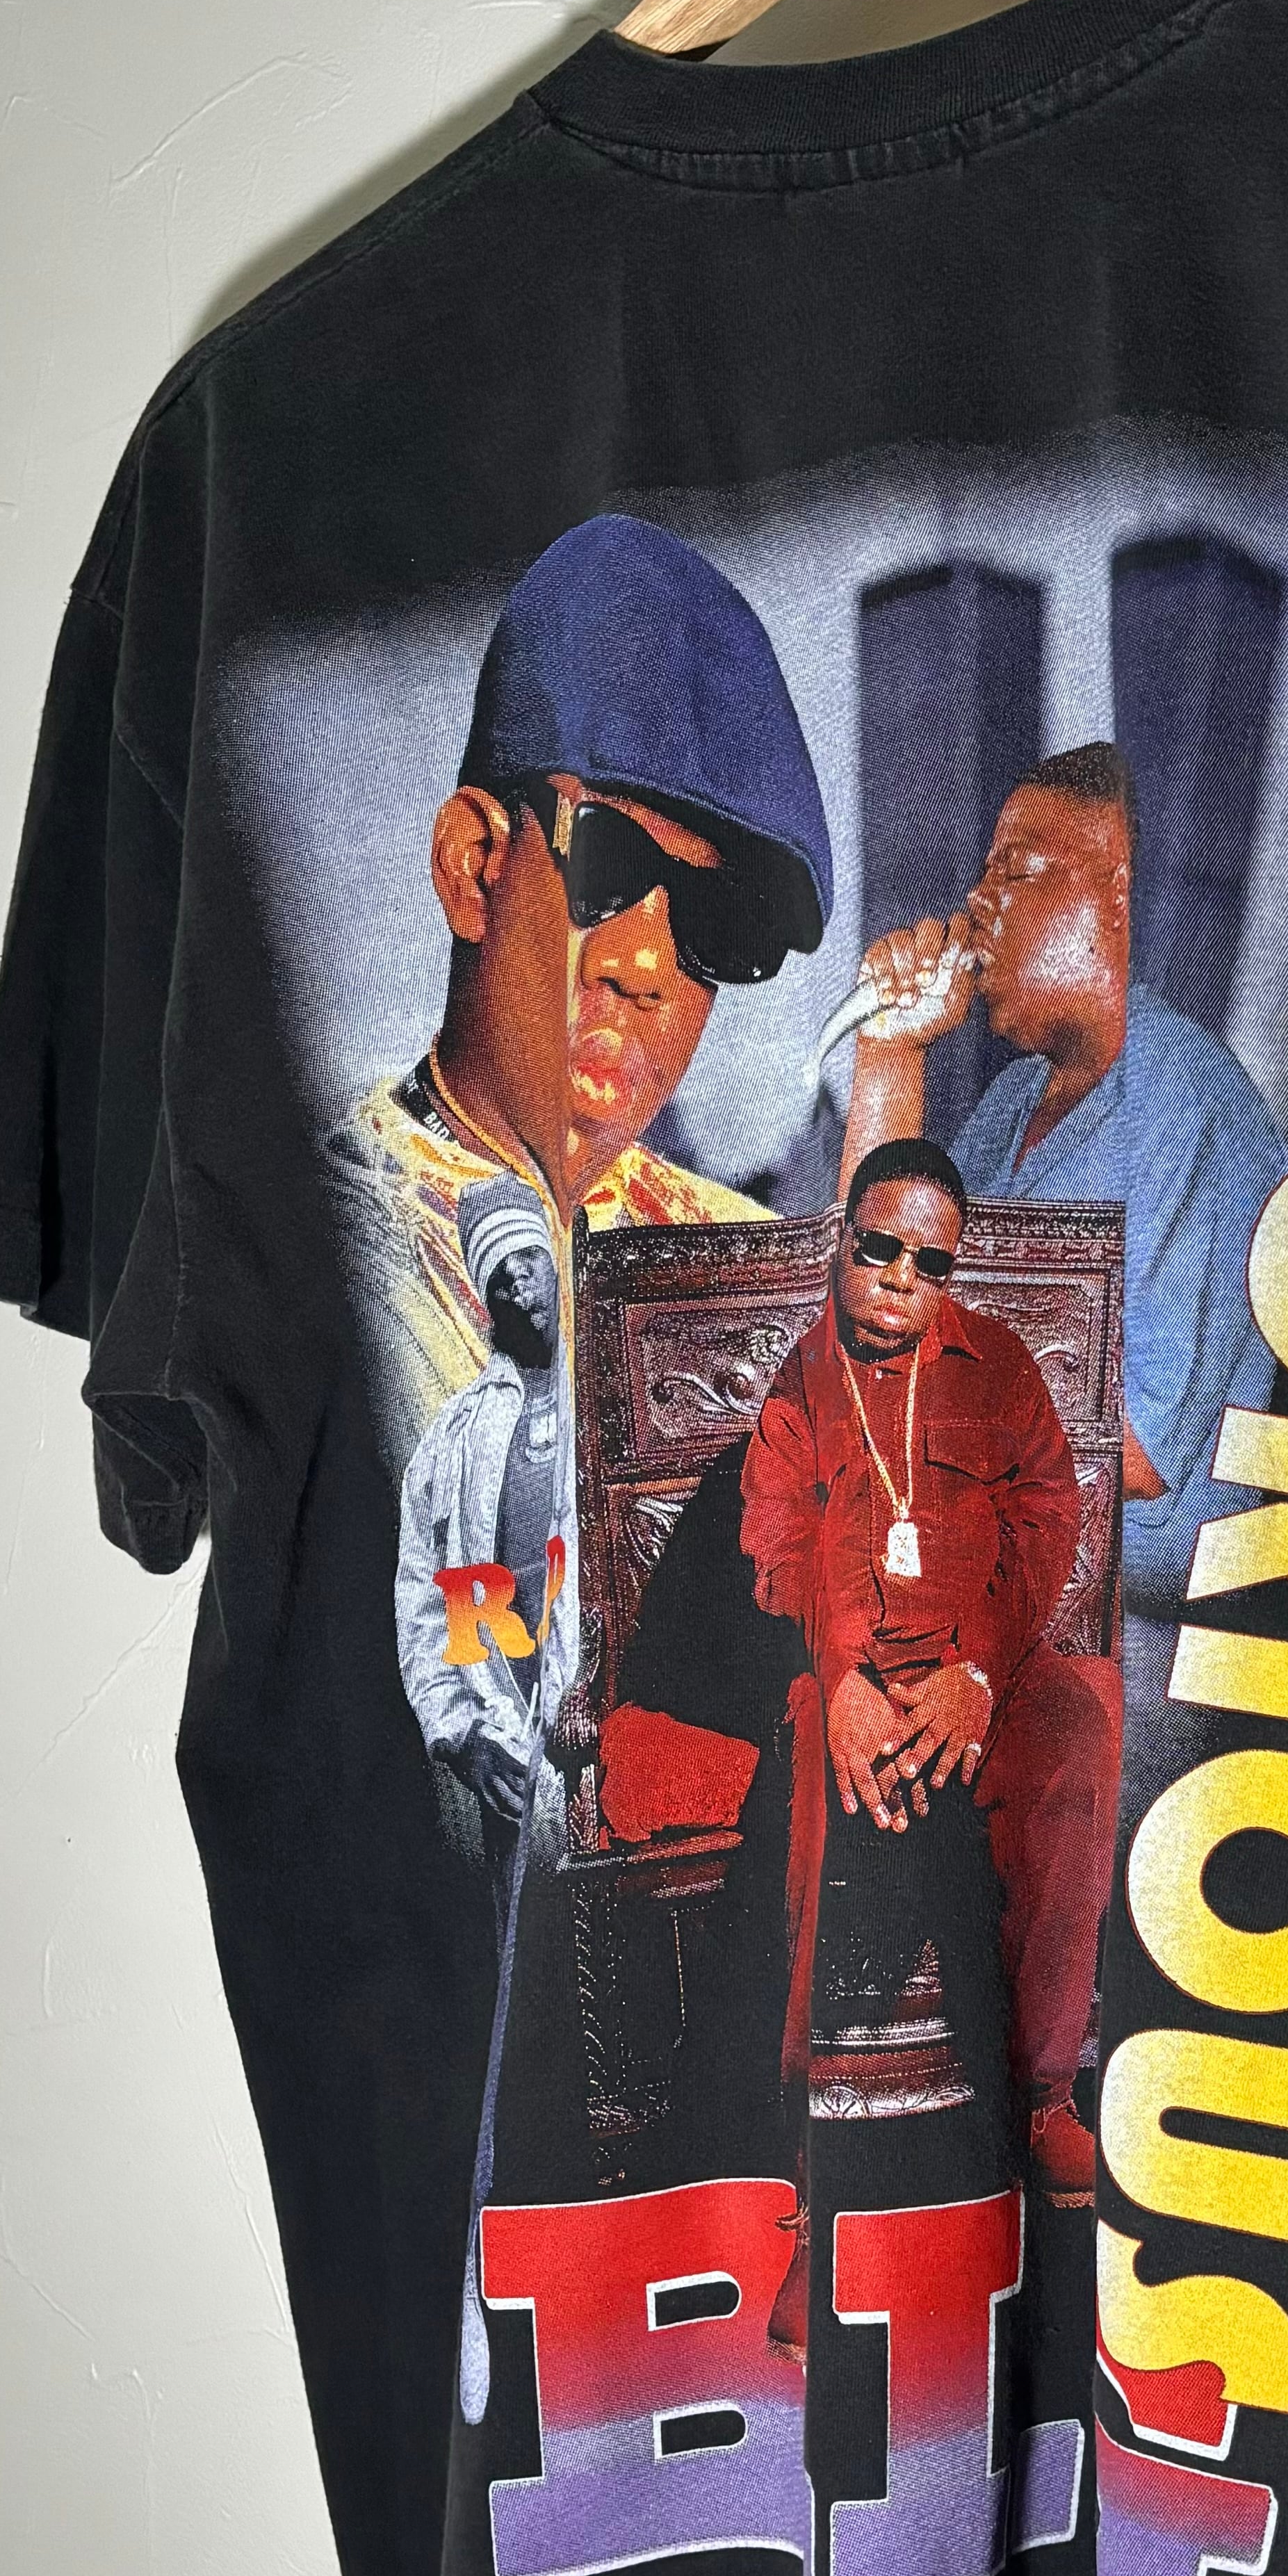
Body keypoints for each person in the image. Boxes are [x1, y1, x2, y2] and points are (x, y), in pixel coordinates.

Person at [331, 512, 832, 1451]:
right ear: (474, 865)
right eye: (606, 867)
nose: (644, 966)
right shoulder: (315, 1254)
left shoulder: (742, 1269)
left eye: (718, 924)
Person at [740, 1140, 1118, 2351]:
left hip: (971, 1678)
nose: (900, 1277)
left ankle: (1044, 2098)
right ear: (840, 1242)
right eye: (878, 1248)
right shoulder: (802, 1382)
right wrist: (845, 1675)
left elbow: (1047, 1520)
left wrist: (979, 1672)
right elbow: (774, 1549)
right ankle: (814, 2197)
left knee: (1081, 1716)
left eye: (929, 1260)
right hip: (847, 1684)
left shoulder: (996, 1366)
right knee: (810, 1771)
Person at [835, 742, 1288, 1626]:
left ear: (1114, 894)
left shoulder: (1182, 1097)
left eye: (1014, 871)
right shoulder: (1015, 1104)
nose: (976, 901)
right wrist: (891, 1053)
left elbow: (1137, 1452)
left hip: (1137, 1643)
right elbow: (870, 1297)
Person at [394, 1182, 579, 1851]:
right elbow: (423, 1601)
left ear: (554, 1262)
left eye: (528, 1259)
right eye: (499, 1275)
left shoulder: (614, 1384)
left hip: (621, 1740)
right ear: (485, 1299)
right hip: (511, 1761)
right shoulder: (453, 1440)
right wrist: (460, 1737)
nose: (518, 1283)